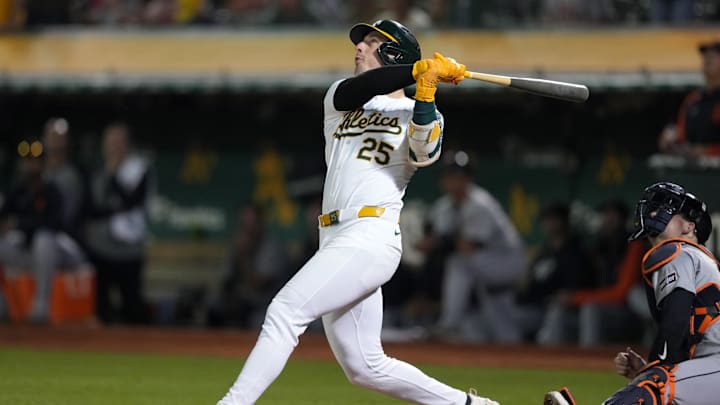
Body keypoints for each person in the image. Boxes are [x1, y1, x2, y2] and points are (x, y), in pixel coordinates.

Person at [217, 19, 500, 405]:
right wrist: (416, 71)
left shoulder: (421, 111)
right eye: (361, 42)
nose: (359, 48)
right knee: (365, 366)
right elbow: (362, 87)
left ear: (393, 53)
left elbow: (423, 153)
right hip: (334, 236)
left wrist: (427, 90)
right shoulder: (341, 98)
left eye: (371, 42)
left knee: (285, 311)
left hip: (371, 234)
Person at [545, 181, 720, 405]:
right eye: (654, 207)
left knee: (655, 384)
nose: (655, 212)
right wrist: (648, 370)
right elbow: (684, 336)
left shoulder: (681, 252)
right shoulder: (696, 260)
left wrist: (654, 371)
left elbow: (676, 321)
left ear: (689, 227)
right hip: (710, 368)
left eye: (669, 209)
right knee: (659, 388)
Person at [420, 150, 526, 343]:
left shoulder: (480, 204)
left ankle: (449, 324)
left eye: (457, 175)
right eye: (448, 174)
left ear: (467, 178)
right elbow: (437, 240)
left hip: (507, 262)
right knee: (503, 326)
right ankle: (513, 354)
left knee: (459, 263)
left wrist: (437, 243)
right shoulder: (443, 206)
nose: (451, 179)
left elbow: (466, 246)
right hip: (484, 264)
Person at [0, 137, 87, 323]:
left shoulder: (51, 190)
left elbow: (53, 223)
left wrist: (18, 224)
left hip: (59, 252)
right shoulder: (17, 191)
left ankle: (41, 307)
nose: (31, 166)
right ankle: (1, 305)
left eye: (36, 162)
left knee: (44, 238)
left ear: (43, 164)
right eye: (27, 161)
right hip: (28, 253)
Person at [83, 122, 153, 324]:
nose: (113, 147)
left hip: (129, 247)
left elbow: (132, 202)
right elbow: (93, 207)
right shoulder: (98, 169)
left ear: (128, 144)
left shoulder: (139, 168)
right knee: (100, 305)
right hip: (101, 247)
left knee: (132, 305)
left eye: (118, 142)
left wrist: (114, 178)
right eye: (110, 142)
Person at [514, 202, 593, 344]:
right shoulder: (543, 253)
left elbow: (576, 289)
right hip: (537, 309)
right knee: (510, 319)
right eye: (546, 219)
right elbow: (527, 286)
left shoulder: (576, 252)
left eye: (554, 219)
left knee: (556, 312)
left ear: (564, 221)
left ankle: (546, 358)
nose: (550, 223)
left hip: (568, 313)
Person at [206, 203, 290, 328]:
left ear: (260, 223)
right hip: (242, 300)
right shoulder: (237, 244)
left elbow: (257, 284)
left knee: (252, 316)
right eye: (245, 224)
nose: (248, 229)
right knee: (214, 305)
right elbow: (226, 280)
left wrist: (243, 256)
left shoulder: (272, 247)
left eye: (252, 224)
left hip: (266, 302)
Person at [658, 38, 720, 157]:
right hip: (691, 171)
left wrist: (707, 151)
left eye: (714, 56)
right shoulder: (693, 99)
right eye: (705, 56)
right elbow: (682, 135)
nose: (707, 59)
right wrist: (670, 140)